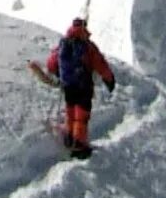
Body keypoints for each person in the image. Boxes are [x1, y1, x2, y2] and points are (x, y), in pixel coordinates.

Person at [47, 18, 115, 157]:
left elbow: (51, 63)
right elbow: (100, 64)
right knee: (81, 116)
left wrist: (59, 73)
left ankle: (69, 138)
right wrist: (109, 79)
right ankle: (79, 146)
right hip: (83, 85)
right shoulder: (87, 46)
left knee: (71, 111)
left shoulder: (64, 43)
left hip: (68, 86)